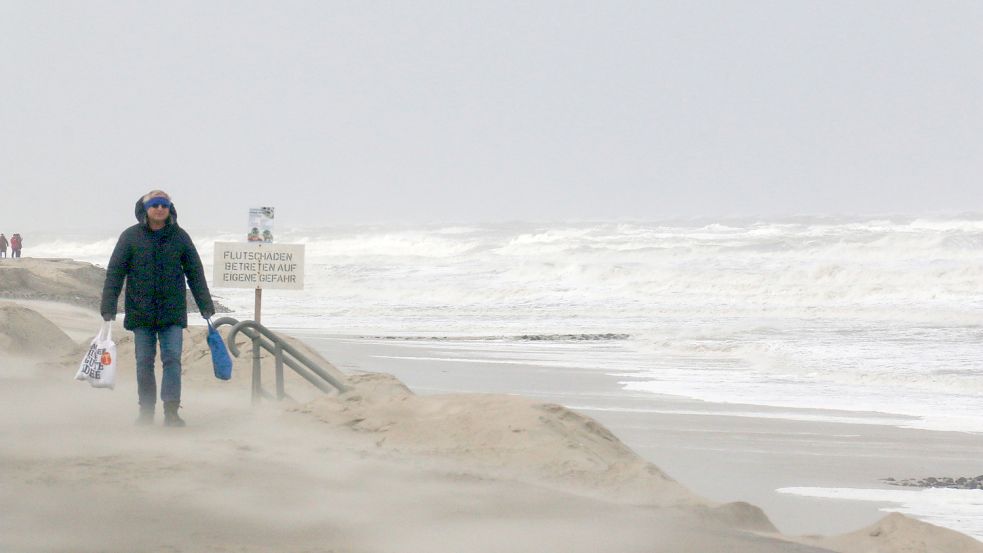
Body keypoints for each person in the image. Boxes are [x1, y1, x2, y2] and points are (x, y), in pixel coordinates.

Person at [100, 190, 215, 427]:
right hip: (141, 313)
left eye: (164, 204)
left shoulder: (180, 237)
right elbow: (115, 273)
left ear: (170, 208)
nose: (160, 208)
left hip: (172, 312)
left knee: (172, 360)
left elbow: (195, 273)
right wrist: (108, 306)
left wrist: (205, 305)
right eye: (155, 204)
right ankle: (146, 411)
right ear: (145, 209)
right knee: (144, 362)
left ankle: (171, 411)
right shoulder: (130, 237)